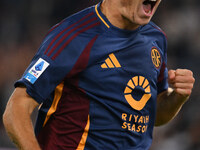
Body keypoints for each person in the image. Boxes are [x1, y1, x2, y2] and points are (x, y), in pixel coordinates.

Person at [3, 0, 195, 149]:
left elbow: (152, 115)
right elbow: (16, 109)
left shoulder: (156, 38)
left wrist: (178, 97)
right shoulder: (74, 35)